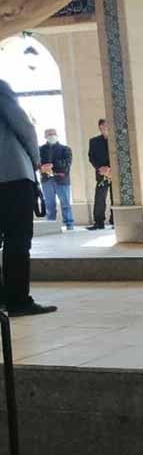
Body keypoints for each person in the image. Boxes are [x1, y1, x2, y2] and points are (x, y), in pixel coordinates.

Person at [0, 78, 57, 316]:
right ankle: (17, 302)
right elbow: (23, 127)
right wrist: (35, 160)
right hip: (11, 175)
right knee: (17, 239)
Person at [38, 128, 75, 230]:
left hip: (62, 180)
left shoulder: (65, 149)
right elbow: (36, 163)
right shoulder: (40, 150)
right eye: (49, 134)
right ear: (45, 136)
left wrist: (52, 165)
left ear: (57, 135)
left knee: (66, 204)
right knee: (49, 205)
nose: (51, 136)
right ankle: (51, 226)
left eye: (53, 134)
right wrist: (42, 167)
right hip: (46, 181)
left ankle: (69, 224)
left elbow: (67, 164)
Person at [87, 119, 113, 230]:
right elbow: (91, 157)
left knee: (115, 198)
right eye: (103, 126)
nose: (105, 128)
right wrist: (100, 168)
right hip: (101, 173)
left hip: (114, 173)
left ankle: (115, 221)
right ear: (100, 127)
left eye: (107, 126)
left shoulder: (116, 139)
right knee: (99, 198)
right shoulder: (94, 141)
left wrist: (111, 169)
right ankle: (98, 222)